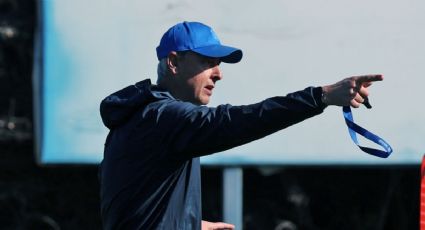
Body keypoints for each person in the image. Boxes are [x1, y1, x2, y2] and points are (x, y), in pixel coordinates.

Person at [99, 21, 383, 230]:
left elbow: (135, 210)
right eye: (207, 61)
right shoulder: (162, 117)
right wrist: (320, 96)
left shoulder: (144, 117)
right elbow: (236, 122)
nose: (219, 73)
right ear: (173, 62)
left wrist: (190, 225)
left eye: (219, 63)